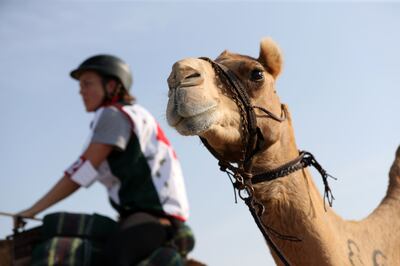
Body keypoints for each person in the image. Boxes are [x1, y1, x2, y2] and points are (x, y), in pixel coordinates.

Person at [14, 54, 190, 265]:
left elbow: (80, 172)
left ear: (112, 85)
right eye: (80, 85)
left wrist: (33, 210)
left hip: (151, 219)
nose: (81, 91)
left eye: (87, 83)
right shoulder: (130, 115)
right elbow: (86, 172)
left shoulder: (113, 115)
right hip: (141, 217)